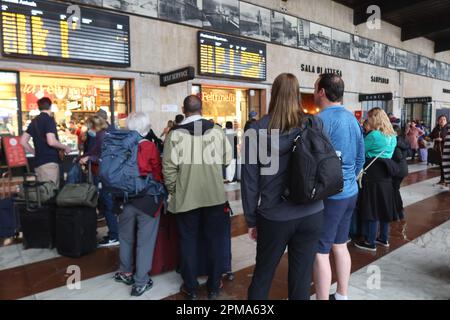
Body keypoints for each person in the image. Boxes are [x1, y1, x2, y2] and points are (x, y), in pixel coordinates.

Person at [242, 73, 324, 300]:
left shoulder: (256, 130)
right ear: (297, 95)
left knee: (263, 275)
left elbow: (249, 180)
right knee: (301, 279)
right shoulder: (313, 123)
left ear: (273, 94)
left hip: (274, 214)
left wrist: (250, 219)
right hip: (312, 211)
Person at [162, 95, 232, 300]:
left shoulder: (174, 135)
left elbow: (168, 169)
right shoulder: (217, 131)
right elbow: (227, 159)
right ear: (202, 109)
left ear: (184, 109)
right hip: (214, 196)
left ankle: (191, 287)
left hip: (186, 198)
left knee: (188, 242)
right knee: (215, 241)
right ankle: (213, 286)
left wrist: (176, 190)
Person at [312, 73, 365, 301]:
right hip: (350, 192)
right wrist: (347, 179)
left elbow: (311, 162)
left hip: (330, 197)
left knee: (320, 250)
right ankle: (342, 295)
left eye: (315, 88)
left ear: (322, 92)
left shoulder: (320, 120)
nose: (314, 92)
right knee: (340, 245)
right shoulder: (352, 119)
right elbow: (361, 158)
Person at [114, 112, 163, 297]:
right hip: (147, 200)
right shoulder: (149, 146)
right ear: (146, 128)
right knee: (145, 241)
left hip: (125, 199)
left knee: (125, 237)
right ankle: (141, 281)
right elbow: (158, 174)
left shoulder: (119, 146)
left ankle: (125, 272)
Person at [355, 108, 398, 252]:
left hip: (373, 175)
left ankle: (370, 241)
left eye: (369, 118)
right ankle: (383, 238)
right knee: (384, 207)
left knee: (372, 207)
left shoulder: (374, 135)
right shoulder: (392, 136)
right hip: (386, 175)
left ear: (375, 118)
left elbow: (360, 150)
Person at [79, 115, 118, 247]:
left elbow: (101, 156)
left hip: (102, 175)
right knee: (106, 204)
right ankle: (114, 233)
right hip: (104, 174)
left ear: (94, 126)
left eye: (89, 127)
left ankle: (114, 235)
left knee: (107, 205)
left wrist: (88, 158)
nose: (88, 129)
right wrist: (86, 156)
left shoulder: (102, 136)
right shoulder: (103, 135)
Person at [20, 97, 71, 188]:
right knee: (50, 192)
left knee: (43, 193)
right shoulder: (49, 120)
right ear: (50, 107)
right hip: (49, 161)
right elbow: (51, 141)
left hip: (38, 162)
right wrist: (65, 147)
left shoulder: (34, 121)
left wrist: (34, 152)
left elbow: (23, 141)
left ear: (39, 107)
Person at [392, 125, 409, 220]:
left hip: (398, 170)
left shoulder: (395, 142)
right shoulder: (402, 140)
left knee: (394, 190)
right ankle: (399, 211)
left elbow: (398, 157)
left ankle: (398, 211)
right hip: (402, 169)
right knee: (395, 190)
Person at [429, 115, 448, 184]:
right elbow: (430, 137)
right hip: (439, 150)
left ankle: (447, 180)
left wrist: (443, 139)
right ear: (438, 120)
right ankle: (442, 179)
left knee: (447, 165)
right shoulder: (436, 128)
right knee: (441, 165)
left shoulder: (448, 128)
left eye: (444, 119)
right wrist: (434, 139)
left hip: (447, 150)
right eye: (440, 119)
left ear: (446, 121)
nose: (442, 121)